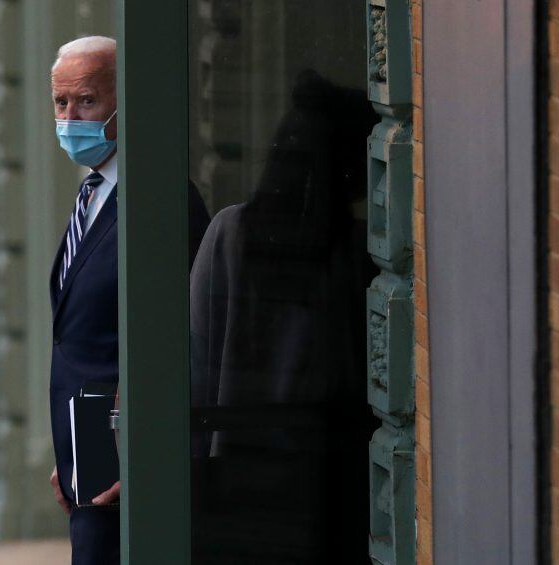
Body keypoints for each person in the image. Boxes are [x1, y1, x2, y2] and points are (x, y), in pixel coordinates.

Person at [190, 70, 379, 563]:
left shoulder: (353, 248)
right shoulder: (234, 235)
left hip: (304, 478)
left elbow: (199, 363)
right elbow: (199, 363)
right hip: (283, 479)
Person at [47, 36, 209, 564]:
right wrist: (70, 451)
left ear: (127, 100)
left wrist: (155, 453)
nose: (70, 118)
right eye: (61, 103)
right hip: (89, 459)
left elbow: (185, 336)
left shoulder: (158, 197)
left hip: (131, 462)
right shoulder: (93, 193)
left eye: (87, 101)